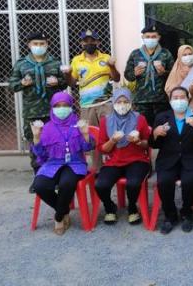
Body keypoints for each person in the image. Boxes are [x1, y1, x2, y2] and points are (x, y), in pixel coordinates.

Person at [149, 86, 193, 234]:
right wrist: (156, 134)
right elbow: (154, 144)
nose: (179, 100)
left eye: (182, 97)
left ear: (188, 99)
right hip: (168, 160)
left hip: (192, 160)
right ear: (170, 100)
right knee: (164, 181)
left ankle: (187, 213)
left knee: (190, 181)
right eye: (175, 98)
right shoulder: (162, 117)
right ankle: (170, 215)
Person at [8, 32, 66, 191]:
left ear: (47, 44)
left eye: (42, 43)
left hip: (53, 112)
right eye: (35, 44)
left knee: (55, 144)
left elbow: (65, 83)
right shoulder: (21, 64)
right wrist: (22, 83)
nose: (38, 46)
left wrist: (58, 82)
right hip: (32, 113)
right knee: (35, 146)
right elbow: (12, 85)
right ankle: (38, 178)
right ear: (29, 45)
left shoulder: (55, 63)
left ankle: (55, 177)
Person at [30, 92, 93, 235]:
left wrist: (85, 134)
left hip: (75, 164)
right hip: (52, 164)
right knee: (39, 185)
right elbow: (41, 154)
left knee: (67, 183)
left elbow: (88, 148)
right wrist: (36, 137)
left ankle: (58, 217)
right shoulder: (47, 128)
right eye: (57, 106)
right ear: (52, 108)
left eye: (65, 105)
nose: (61, 109)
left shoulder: (78, 124)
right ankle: (64, 210)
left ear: (71, 107)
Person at [94, 88, 151, 225]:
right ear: (113, 103)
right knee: (100, 185)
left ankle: (132, 207)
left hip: (137, 160)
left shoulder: (140, 119)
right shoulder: (106, 121)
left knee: (133, 183)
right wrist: (112, 141)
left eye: (126, 101)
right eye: (119, 102)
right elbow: (102, 148)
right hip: (114, 162)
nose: (122, 105)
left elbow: (147, 143)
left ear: (130, 102)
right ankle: (110, 207)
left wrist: (138, 141)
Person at [64, 30, 120, 128]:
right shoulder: (76, 60)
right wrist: (68, 74)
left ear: (98, 42)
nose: (89, 43)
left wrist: (112, 67)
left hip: (106, 104)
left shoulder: (106, 57)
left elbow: (117, 79)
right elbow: (71, 84)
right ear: (81, 43)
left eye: (92, 41)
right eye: (86, 41)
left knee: (109, 132)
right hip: (87, 106)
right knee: (90, 134)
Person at [124, 23, 175, 126]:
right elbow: (127, 76)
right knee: (143, 128)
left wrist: (164, 73)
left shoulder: (165, 53)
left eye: (153, 36)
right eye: (147, 36)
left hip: (161, 100)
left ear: (159, 37)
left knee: (161, 128)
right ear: (143, 37)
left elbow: (174, 74)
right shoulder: (135, 54)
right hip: (141, 101)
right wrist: (134, 73)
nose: (150, 39)